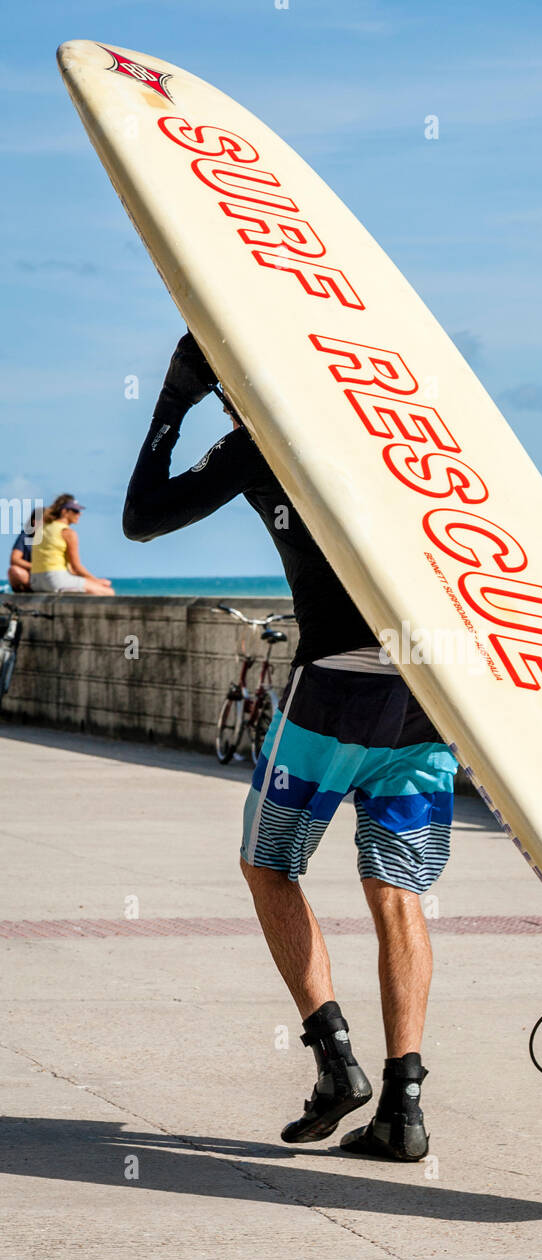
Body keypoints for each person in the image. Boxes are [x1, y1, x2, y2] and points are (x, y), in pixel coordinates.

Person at [123, 333, 458, 1162]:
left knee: (270, 863)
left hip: (334, 691)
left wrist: (174, 401)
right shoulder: (389, 432)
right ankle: (404, 1108)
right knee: (397, 893)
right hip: (428, 693)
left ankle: (334, 1060)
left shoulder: (253, 445)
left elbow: (141, 521)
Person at [30, 495, 114, 595]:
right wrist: (97, 581)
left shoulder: (42, 528)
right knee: (108, 592)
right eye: (76, 511)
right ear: (64, 511)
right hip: (54, 579)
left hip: (35, 581)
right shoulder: (67, 532)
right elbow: (76, 567)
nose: (79, 514)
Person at [7, 509, 39, 592]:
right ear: (34, 522)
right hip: (31, 574)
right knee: (14, 571)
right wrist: (35, 567)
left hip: (48, 575)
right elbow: (14, 559)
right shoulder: (25, 536)